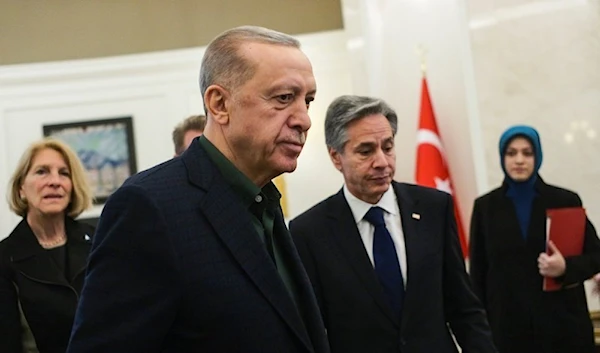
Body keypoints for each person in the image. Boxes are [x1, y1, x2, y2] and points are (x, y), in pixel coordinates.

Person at [66, 26, 329, 353]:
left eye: (308, 100)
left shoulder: (263, 202)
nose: (304, 119)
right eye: (283, 98)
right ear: (219, 104)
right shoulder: (149, 207)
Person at [290, 95, 497, 353]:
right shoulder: (308, 233)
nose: (382, 162)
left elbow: (464, 308)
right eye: (366, 151)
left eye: (387, 147)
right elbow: (312, 330)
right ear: (336, 157)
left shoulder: (434, 208)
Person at [469, 125, 600, 353]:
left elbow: (596, 257)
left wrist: (565, 267)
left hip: (562, 329)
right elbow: (478, 275)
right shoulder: (485, 207)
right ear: (503, 157)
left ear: (537, 156)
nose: (519, 160)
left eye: (527, 153)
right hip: (508, 332)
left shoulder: (564, 200)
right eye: (511, 153)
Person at [0, 138, 94, 353]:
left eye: (64, 173)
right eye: (42, 171)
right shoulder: (4, 258)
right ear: (21, 188)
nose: (55, 181)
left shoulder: (98, 240)